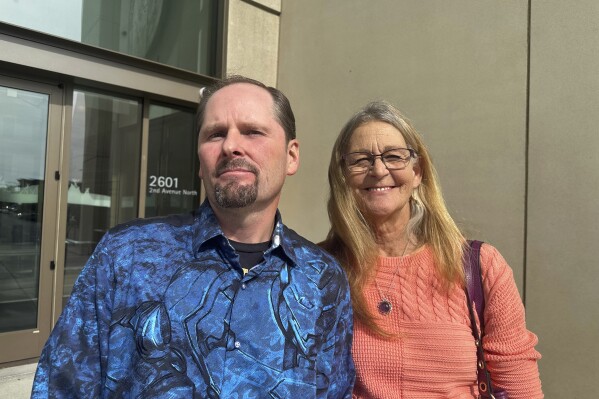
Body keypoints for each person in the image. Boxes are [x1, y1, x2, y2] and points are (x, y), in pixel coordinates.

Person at [32, 76, 355, 398]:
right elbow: (63, 386)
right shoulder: (126, 254)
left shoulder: (323, 278)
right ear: (201, 162)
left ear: (291, 156)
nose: (231, 146)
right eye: (215, 134)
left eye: (252, 131)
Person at [320, 100, 542, 398]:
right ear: (344, 175)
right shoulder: (318, 269)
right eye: (361, 160)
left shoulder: (480, 265)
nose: (378, 169)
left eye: (393, 156)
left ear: (418, 172)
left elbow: (518, 383)